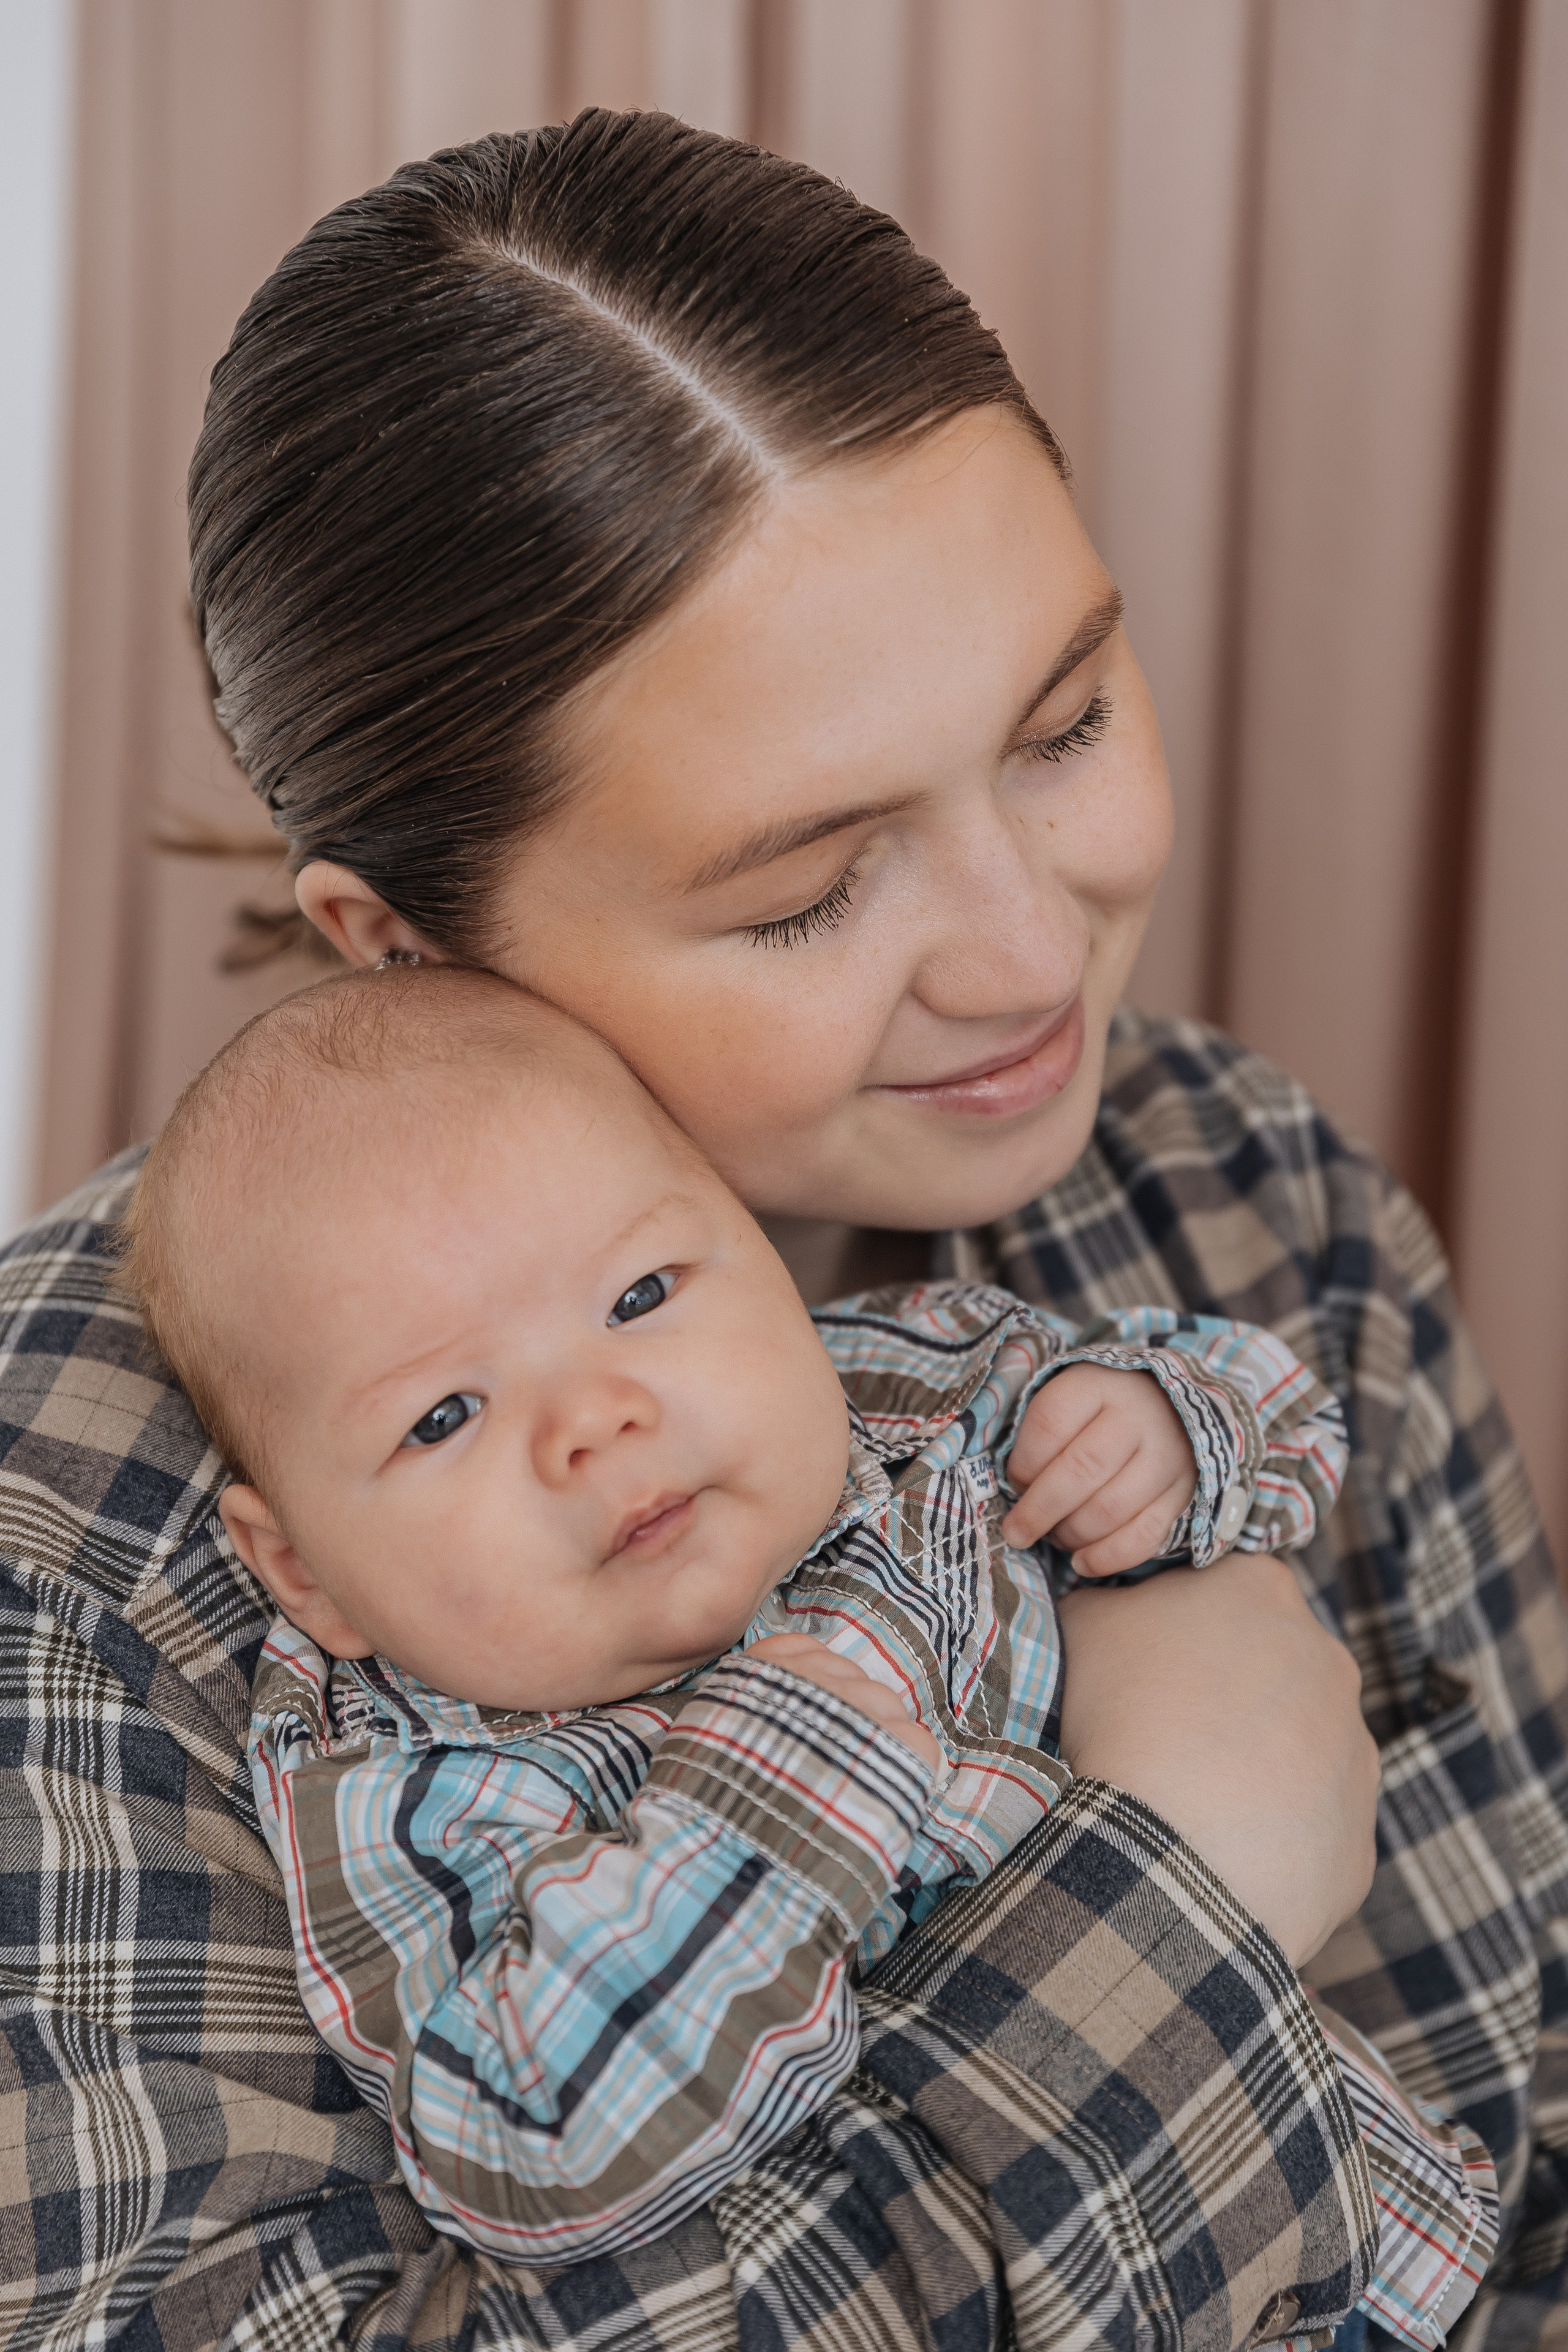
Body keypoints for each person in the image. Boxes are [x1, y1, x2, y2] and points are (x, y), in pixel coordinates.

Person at [0, 108, 1561, 2352]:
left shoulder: (1251, 1200)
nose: (1032, 961)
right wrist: (1170, 1885)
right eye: (807, 889)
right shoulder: (73, 1549)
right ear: (395, 939)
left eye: (1065, 724)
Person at [117, 962, 1482, 2339]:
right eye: (441, 1416)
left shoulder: (908, 1392)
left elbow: (1281, 1415)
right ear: (303, 1571)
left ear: (761, 1255)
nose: (595, 1418)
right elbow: (529, 2145)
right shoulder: (424, 1793)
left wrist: (1163, 1431)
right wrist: (781, 1788)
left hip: (1338, 2243)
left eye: (641, 1293)